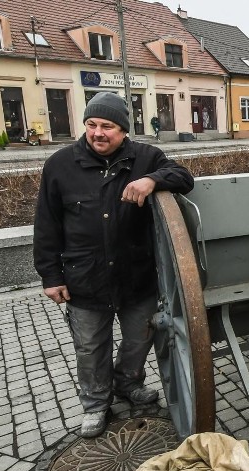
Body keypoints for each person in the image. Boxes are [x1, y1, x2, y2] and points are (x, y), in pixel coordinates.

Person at [33, 92, 195, 438]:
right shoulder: (60, 165)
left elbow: (182, 176)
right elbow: (46, 225)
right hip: (84, 278)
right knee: (91, 347)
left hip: (135, 275)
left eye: (107, 126)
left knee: (139, 339)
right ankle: (94, 404)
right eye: (91, 124)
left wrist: (152, 180)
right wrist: (50, 275)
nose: (97, 132)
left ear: (124, 130)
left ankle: (128, 384)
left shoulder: (145, 158)